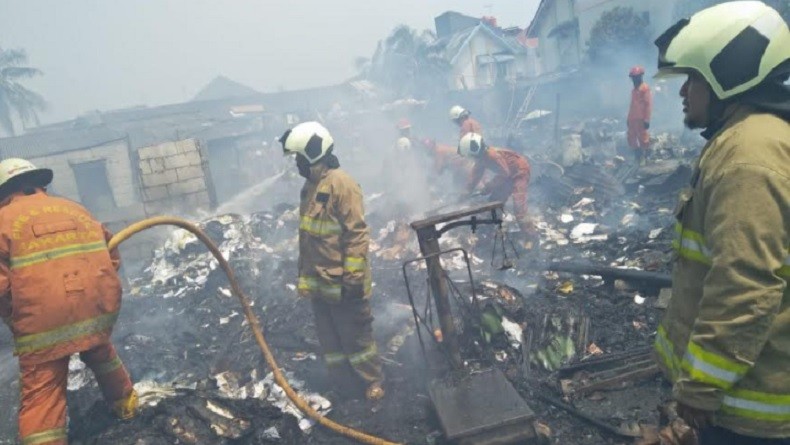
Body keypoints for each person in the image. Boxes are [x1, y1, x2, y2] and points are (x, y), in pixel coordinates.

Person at [651, 2, 790, 444]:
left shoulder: (747, 157)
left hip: (749, 412)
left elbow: (743, 285)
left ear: (729, 77)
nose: (683, 92)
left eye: (692, 79)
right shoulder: (750, 138)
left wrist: (699, 391)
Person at [0, 158, 137, 445]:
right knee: (101, 352)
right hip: (96, 311)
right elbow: (112, 257)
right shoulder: (75, 209)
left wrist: (13, 313)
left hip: (43, 324)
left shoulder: (3, 221)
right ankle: (127, 406)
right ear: (38, 184)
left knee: (43, 392)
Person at [278, 122, 384, 401]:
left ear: (313, 154)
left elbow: (357, 235)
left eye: (299, 158)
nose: (297, 164)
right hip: (321, 283)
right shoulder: (310, 187)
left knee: (357, 339)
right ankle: (344, 386)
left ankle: (372, 383)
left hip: (343, 282)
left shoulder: (342, 184)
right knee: (332, 343)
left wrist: (352, 280)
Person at [457, 133, 536, 246]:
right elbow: (475, 175)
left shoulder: (492, 155)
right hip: (508, 175)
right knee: (494, 201)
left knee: (519, 206)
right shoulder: (482, 158)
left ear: (474, 151)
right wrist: (466, 192)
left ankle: (530, 237)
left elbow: (505, 173)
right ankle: (495, 228)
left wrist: (489, 186)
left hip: (520, 172)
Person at [627, 65, 653, 165]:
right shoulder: (634, 91)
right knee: (631, 137)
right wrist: (628, 119)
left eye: (636, 77)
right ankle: (637, 156)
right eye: (633, 78)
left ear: (640, 77)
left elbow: (648, 105)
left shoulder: (645, 89)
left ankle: (645, 157)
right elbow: (632, 106)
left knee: (643, 137)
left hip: (641, 118)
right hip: (633, 118)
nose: (634, 79)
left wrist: (647, 119)